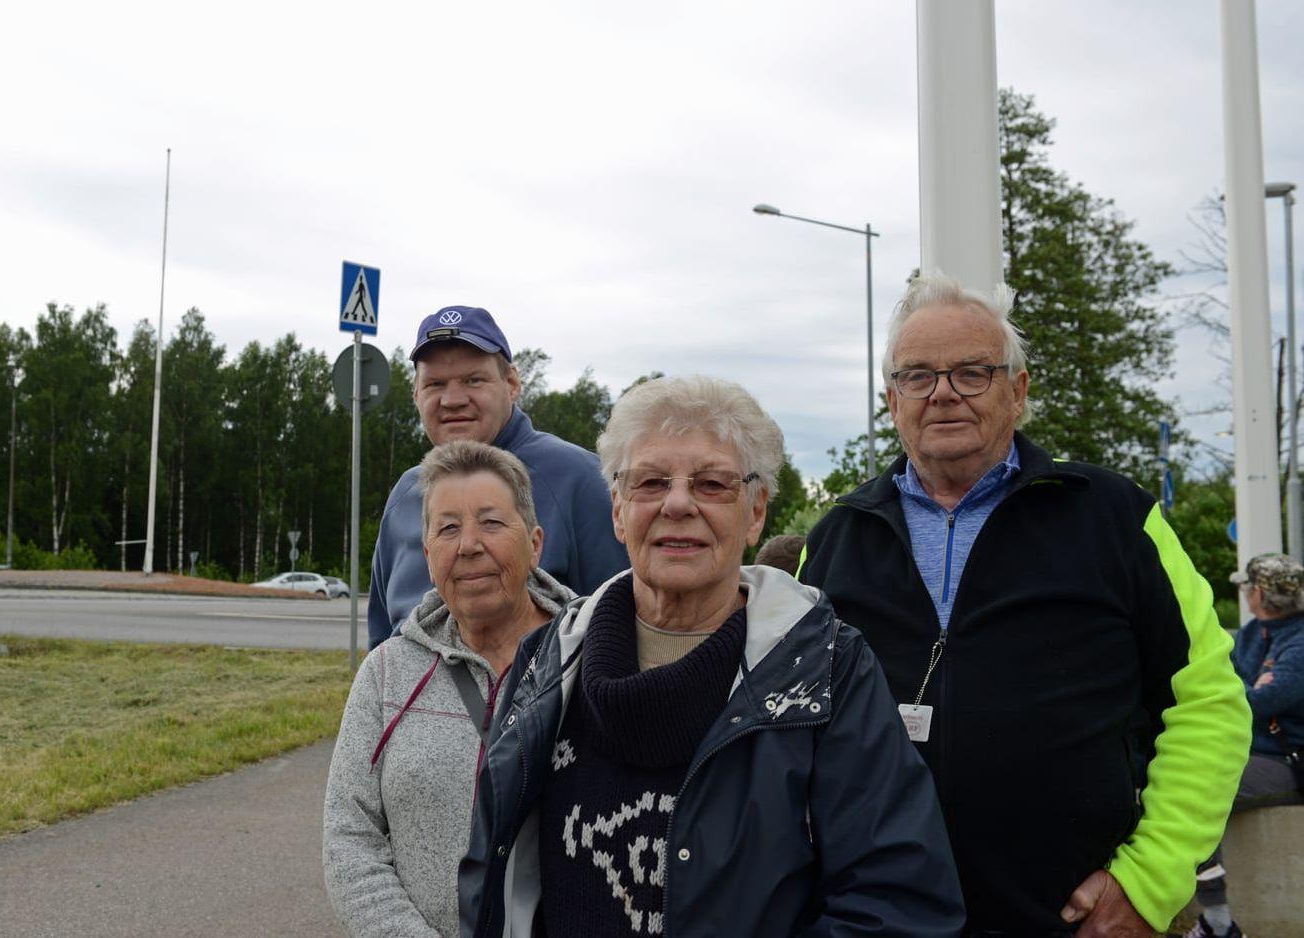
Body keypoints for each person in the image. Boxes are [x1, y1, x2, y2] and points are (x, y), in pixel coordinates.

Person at [800, 272, 1252, 936]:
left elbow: (1208, 705)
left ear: (1019, 390)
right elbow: (791, 734)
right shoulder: (836, 538)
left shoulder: (1115, 518)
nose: (944, 394)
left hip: (1071, 917)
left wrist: (1148, 880)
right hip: (874, 919)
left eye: (973, 373)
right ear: (892, 400)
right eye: (918, 376)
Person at [460, 375, 964, 938]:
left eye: (713, 484)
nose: (678, 503)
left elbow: (898, 903)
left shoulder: (828, 670)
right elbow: (495, 875)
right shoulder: (548, 661)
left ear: (755, 513)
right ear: (619, 511)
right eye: (651, 481)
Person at [323, 441, 577, 938]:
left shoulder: (593, 655)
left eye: (491, 522)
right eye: (448, 528)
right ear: (427, 554)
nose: (468, 545)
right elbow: (349, 837)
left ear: (536, 542)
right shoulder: (387, 673)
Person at [368, 305, 627, 648]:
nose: (453, 400)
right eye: (434, 384)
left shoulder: (580, 480)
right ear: (416, 394)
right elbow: (382, 640)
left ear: (512, 383)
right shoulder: (406, 495)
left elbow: (621, 625)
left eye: (473, 380)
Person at [1188, 553, 1304, 938]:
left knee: (1196, 788)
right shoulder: (1253, 633)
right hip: (1246, 751)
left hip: (1285, 761)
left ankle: (1218, 922)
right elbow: (1229, 686)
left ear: (1257, 593)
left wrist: (1236, 693)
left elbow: (1263, 700)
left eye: (1245, 587)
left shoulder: (1300, 642)